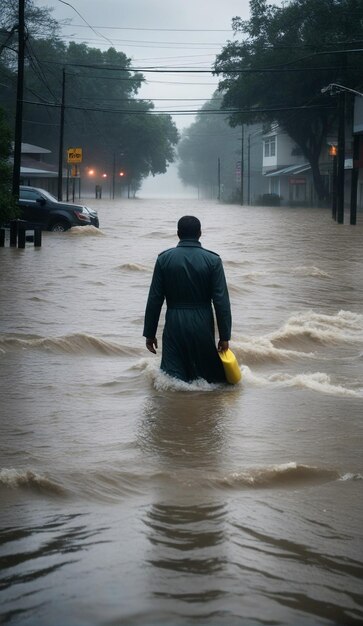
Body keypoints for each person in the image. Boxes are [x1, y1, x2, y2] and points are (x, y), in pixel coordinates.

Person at [143, 215, 232, 383]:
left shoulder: (164, 259)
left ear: (178, 233)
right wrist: (225, 336)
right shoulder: (213, 260)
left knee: (172, 378)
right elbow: (221, 302)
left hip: (174, 322)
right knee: (209, 379)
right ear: (200, 233)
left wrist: (150, 333)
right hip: (203, 322)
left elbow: (155, 299)